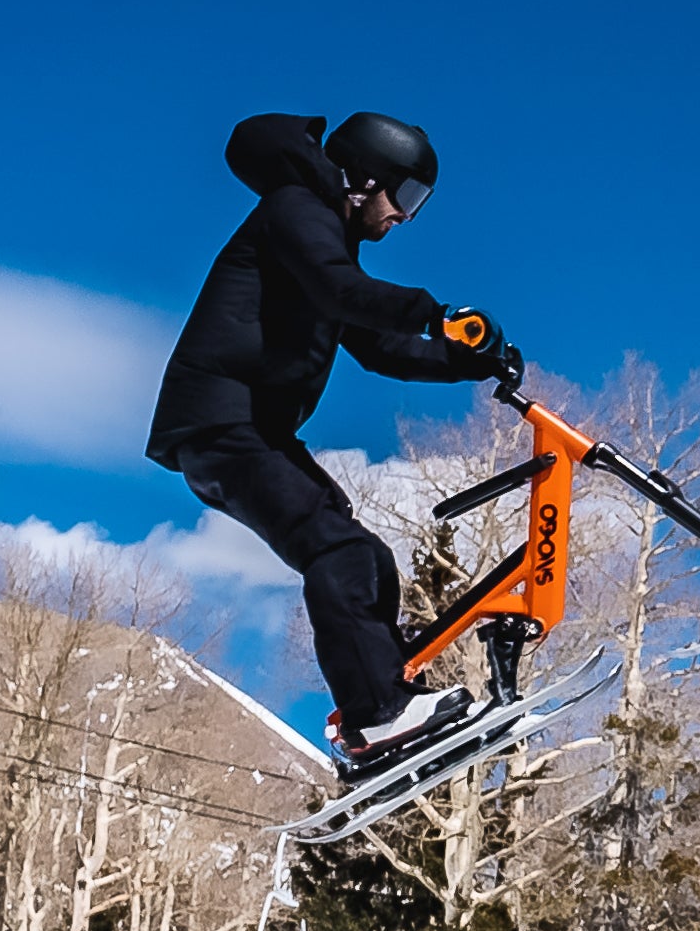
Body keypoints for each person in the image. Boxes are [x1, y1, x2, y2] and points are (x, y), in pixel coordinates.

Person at [147, 110, 513, 761]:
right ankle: (377, 712)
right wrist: (435, 313)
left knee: (364, 557)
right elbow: (344, 294)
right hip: (220, 422)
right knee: (336, 551)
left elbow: (377, 346)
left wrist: (467, 360)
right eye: (404, 196)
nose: (404, 216)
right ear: (363, 179)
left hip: (251, 430)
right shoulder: (296, 211)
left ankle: (385, 702)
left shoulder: (327, 241)